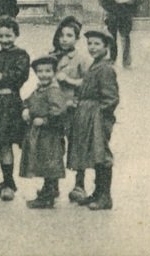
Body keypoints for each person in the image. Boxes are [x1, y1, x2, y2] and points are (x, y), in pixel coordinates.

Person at [67, 27, 119, 211]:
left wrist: (100, 116)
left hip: (98, 118)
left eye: (97, 44)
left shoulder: (105, 68)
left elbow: (111, 98)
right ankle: (97, 193)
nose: (92, 47)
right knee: (95, 155)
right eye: (90, 44)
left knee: (102, 155)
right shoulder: (95, 65)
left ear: (106, 47)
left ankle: (105, 196)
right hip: (88, 116)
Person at [0, 14, 30, 201]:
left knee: (5, 143)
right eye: (1, 36)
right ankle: (0, 180)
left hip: (9, 103)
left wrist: (0, 76)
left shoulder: (21, 55)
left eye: (8, 36)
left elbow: (20, 76)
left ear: (15, 35)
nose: (4, 40)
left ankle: (9, 183)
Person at [50, 15, 90, 202]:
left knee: (77, 145)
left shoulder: (81, 59)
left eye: (69, 35)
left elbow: (89, 83)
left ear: (76, 39)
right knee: (54, 146)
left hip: (73, 108)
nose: (64, 39)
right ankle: (52, 184)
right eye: (62, 35)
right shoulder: (51, 56)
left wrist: (70, 81)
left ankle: (79, 185)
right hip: (55, 108)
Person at [20, 55, 68, 208]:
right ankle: (49, 190)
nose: (44, 74)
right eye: (40, 71)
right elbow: (27, 101)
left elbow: (59, 111)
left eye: (48, 71)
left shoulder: (53, 90)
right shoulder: (39, 89)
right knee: (44, 162)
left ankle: (48, 196)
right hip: (40, 134)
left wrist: (45, 120)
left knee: (50, 163)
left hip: (50, 134)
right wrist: (26, 109)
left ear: (54, 72)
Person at [99, 0, 140, 66]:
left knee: (125, 35)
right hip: (113, 10)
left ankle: (126, 61)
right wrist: (109, 8)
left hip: (125, 10)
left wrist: (132, 2)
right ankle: (112, 58)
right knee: (112, 36)